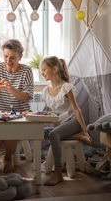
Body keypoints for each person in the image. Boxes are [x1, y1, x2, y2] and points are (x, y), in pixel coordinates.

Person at [0, 39, 33, 176]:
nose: (8, 60)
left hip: (18, 109)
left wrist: (11, 89)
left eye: (12, 57)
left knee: (11, 126)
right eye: (5, 56)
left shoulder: (26, 71)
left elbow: (27, 97)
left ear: (20, 57)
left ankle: (7, 159)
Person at [40, 56, 91, 186]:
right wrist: (53, 128)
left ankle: (57, 172)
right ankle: (76, 137)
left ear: (55, 69)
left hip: (73, 121)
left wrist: (85, 131)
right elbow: (53, 115)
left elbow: (76, 109)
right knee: (41, 132)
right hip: (61, 124)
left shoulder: (66, 87)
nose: (42, 73)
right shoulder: (46, 91)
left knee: (53, 134)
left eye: (44, 69)